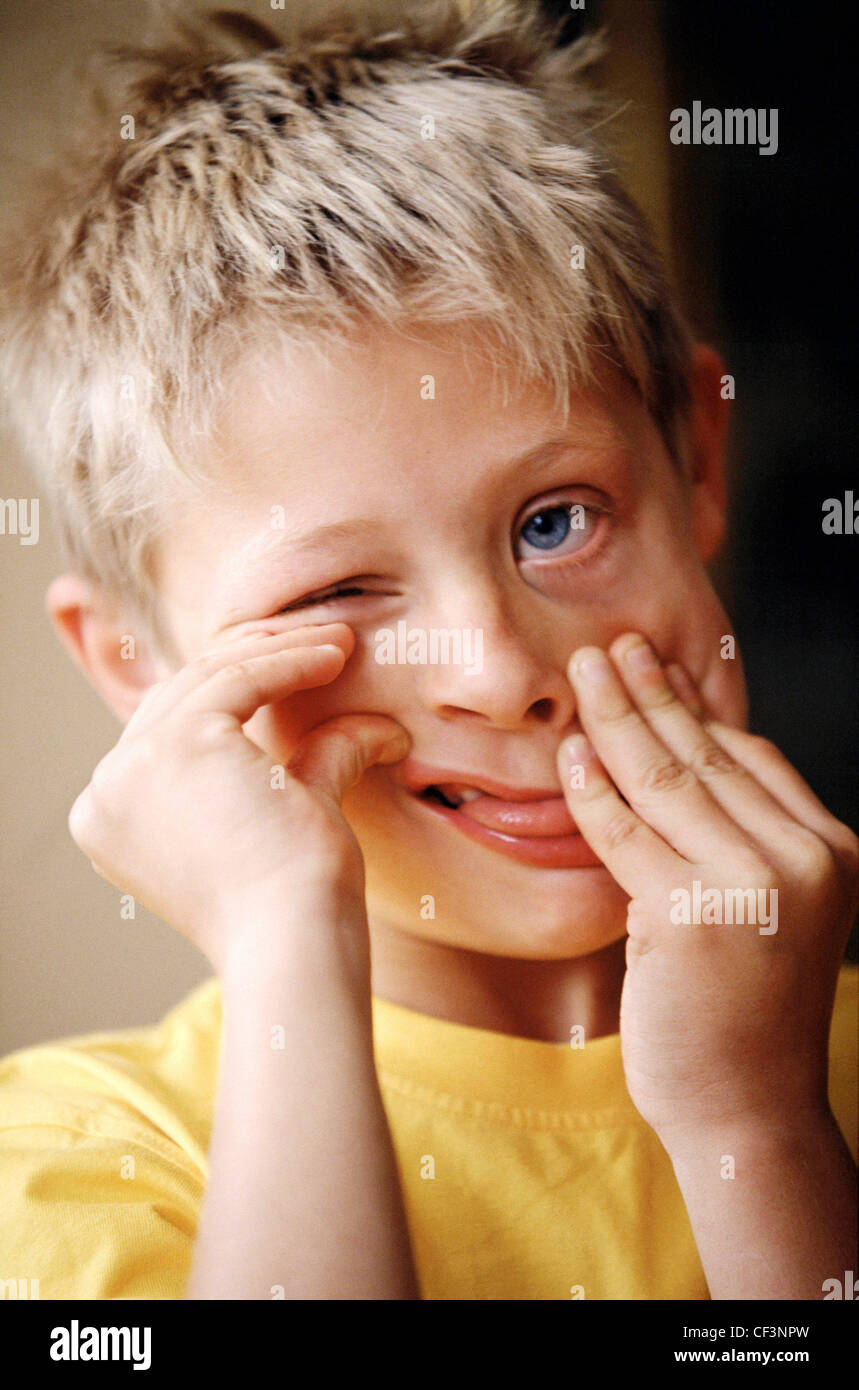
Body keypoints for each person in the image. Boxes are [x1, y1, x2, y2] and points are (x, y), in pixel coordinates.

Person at [0, 0, 855, 1300]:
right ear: (133, 661)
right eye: (343, 586)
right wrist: (292, 934)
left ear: (697, 458)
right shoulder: (72, 1159)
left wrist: (760, 1131)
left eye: (555, 521)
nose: (501, 666)